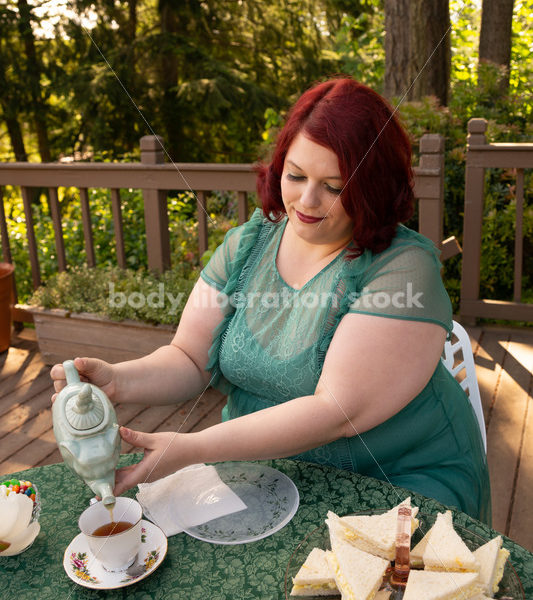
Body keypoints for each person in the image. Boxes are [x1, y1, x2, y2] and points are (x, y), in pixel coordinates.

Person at [51, 77, 491, 523]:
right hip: (267, 472)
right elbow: (187, 357)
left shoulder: (403, 266)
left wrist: (191, 448)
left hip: (400, 480)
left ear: (374, 187)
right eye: (295, 175)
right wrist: (116, 382)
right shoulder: (248, 244)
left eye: (335, 187)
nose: (307, 199)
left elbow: (334, 412)